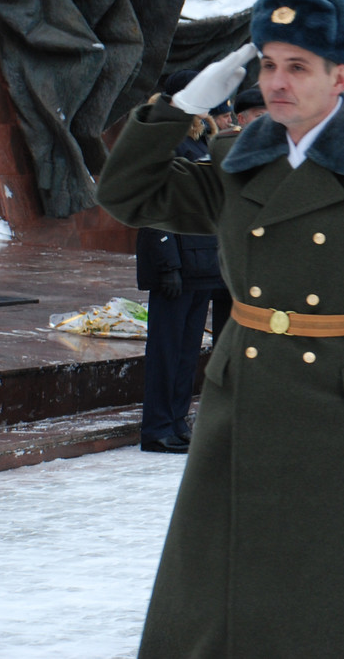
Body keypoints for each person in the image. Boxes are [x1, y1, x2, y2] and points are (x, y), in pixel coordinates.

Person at [96, 0, 344, 657]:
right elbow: (126, 194)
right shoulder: (236, 158)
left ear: (343, 75)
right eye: (268, 65)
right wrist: (179, 108)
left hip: (342, 414)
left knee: (332, 599)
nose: (277, 83)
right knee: (214, 593)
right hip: (244, 398)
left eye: (299, 66)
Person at [134, 71, 224, 454]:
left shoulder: (199, 142)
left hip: (201, 265)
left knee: (187, 352)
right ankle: (157, 427)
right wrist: (167, 262)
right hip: (176, 265)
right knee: (166, 352)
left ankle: (176, 420)